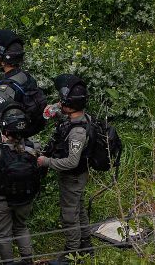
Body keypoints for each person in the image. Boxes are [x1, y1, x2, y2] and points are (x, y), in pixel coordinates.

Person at [37, 74, 92, 264]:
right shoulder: (78, 117)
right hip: (78, 176)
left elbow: (71, 162)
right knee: (79, 209)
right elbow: (50, 113)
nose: (60, 103)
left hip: (73, 177)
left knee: (69, 215)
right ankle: (86, 245)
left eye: (63, 101)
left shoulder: (77, 133)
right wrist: (56, 107)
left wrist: (46, 162)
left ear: (70, 104)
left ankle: (72, 253)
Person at [0, 105, 41, 265]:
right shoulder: (33, 148)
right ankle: (28, 261)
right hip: (26, 197)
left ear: (5, 130)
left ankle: (8, 263)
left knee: (3, 234)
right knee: (21, 227)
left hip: (1, 199)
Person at [0, 29, 45, 165]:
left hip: (7, 147)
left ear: (2, 59)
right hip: (24, 140)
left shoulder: (4, 89)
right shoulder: (26, 78)